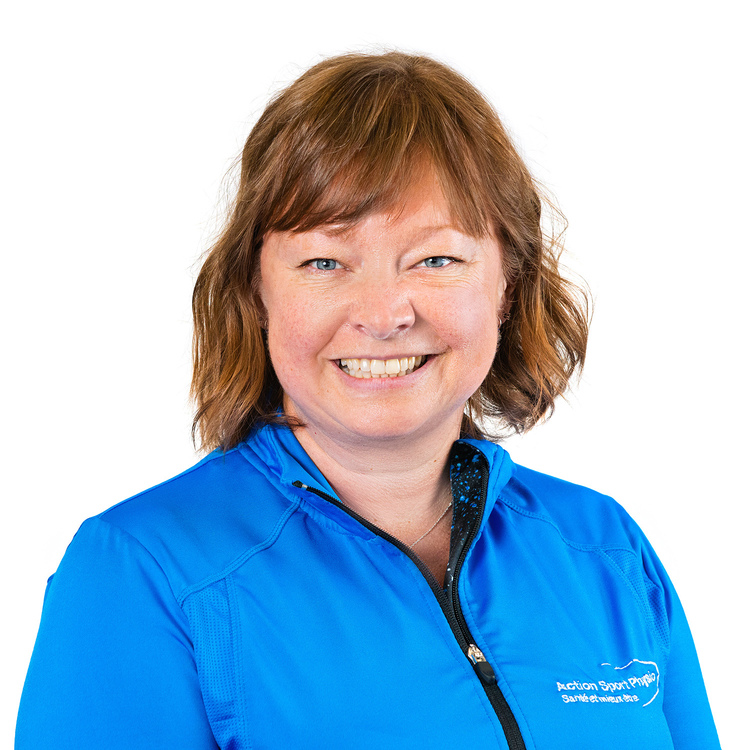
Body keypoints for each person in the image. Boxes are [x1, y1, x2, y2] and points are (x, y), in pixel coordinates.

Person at [15, 51, 720, 749]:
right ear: (255, 292)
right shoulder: (142, 571)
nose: (384, 316)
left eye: (436, 259)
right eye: (325, 261)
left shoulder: (603, 547)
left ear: (508, 283)